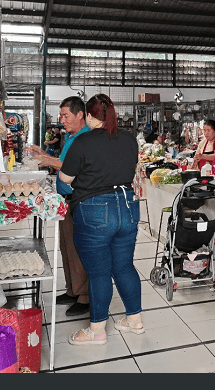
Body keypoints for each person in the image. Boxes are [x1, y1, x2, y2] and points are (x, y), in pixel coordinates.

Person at [59, 93, 144, 345]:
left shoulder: (83, 142)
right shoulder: (129, 139)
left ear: (88, 115)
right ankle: (134, 321)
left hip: (95, 209)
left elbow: (65, 179)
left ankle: (96, 331)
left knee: (98, 272)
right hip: (128, 206)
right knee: (124, 266)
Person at [27, 97, 91, 317]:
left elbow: (77, 167)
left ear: (80, 114)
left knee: (79, 249)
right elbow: (63, 164)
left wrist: (49, 162)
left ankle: (85, 297)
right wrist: (43, 155)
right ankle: (72, 290)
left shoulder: (85, 137)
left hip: (79, 199)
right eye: (60, 115)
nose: (61, 120)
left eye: (66, 115)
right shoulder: (72, 137)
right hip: (65, 200)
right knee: (66, 247)